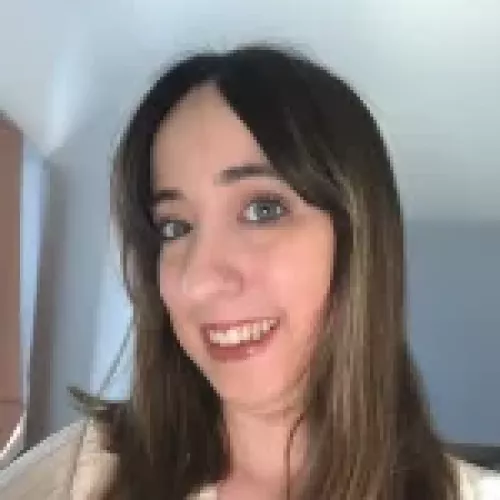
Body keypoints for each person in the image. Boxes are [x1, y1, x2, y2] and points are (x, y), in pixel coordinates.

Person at [1, 44, 499, 500]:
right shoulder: (83, 473)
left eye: (263, 209)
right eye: (175, 227)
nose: (198, 280)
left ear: (358, 237)